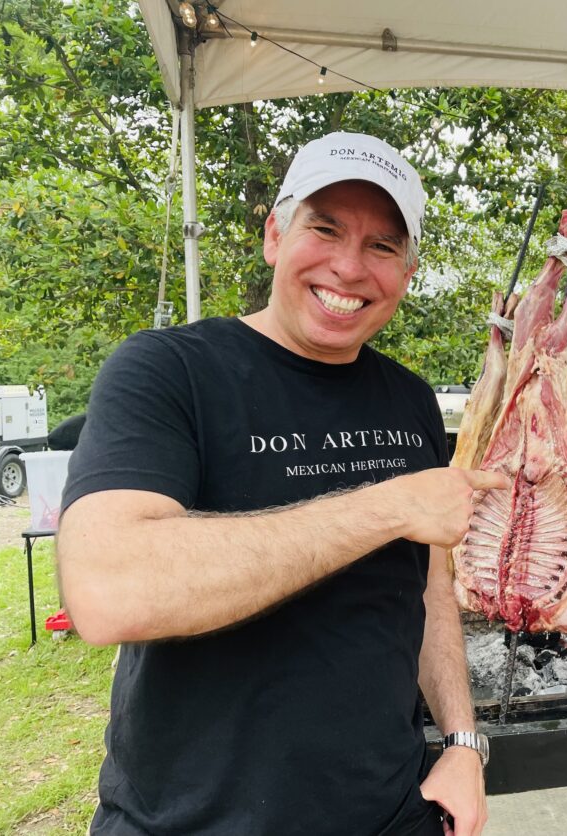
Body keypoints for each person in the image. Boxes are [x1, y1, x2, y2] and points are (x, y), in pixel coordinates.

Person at [57, 132, 507, 836]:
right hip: (190, 823)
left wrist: (461, 743)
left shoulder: (410, 400)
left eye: (383, 247)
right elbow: (109, 592)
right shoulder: (169, 372)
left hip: (392, 815)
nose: (349, 267)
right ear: (274, 234)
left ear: (408, 272)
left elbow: (428, 592)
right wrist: (384, 507)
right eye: (324, 229)